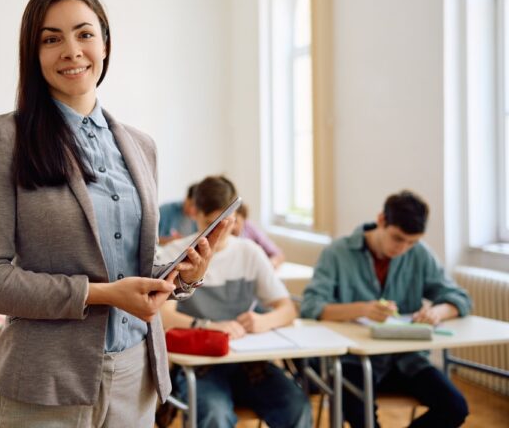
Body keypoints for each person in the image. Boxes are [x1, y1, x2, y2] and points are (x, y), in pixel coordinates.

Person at [0, 0, 228, 427]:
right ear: (33, 52)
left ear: (105, 43)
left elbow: (131, 264)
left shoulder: (141, 147)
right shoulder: (4, 139)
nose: (71, 49)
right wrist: (101, 295)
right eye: (51, 38)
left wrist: (183, 277)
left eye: (85, 33)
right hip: (44, 384)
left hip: (135, 377)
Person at [300, 190, 471, 428]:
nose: (403, 248)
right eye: (398, 238)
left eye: (412, 242)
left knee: (455, 407)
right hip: (352, 363)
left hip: (406, 360)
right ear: (381, 220)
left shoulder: (419, 254)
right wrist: (361, 309)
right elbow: (310, 307)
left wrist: (437, 312)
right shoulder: (337, 253)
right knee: (362, 416)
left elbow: (458, 297)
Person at [160, 176, 311, 428]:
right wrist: (206, 325)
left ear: (236, 218)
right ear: (195, 214)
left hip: (248, 365)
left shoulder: (249, 252)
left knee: (296, 405)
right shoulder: (173, 254)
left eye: (226, 225)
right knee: (214, 415)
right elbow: (163, 314)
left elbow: (287, 309)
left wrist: (262, 320)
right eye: (211, 225)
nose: (219, 233)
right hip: (200, 367)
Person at [232, 202, 286, 268]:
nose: (231, 226)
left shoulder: (249, 228)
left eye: (235, 221)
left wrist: (270, 265)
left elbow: (277, 254)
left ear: (243, 218)